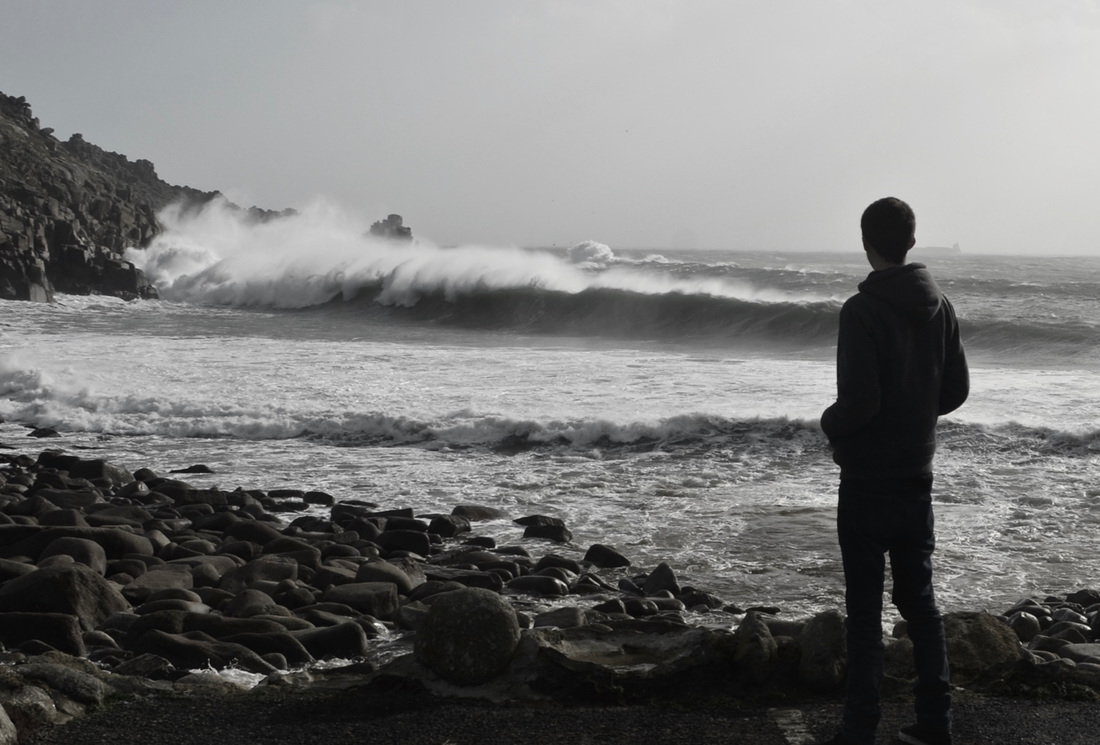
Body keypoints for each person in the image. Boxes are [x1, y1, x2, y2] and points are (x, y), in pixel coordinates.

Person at [817, 197, 969, 745]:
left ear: (866, 240)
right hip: (916, 475)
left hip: (866, 481)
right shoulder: (941, 305)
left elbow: (860, 401)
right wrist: (915, 414)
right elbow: (955, 390)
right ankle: (936, 725)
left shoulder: (861, 310)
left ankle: (859, 731)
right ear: (911, 239)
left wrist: (828, 424)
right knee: (920, 604)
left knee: (864, 609)